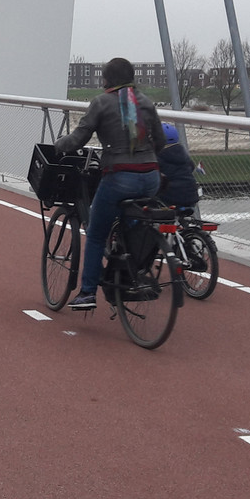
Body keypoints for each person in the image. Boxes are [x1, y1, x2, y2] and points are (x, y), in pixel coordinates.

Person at [52, 57, 166, 310]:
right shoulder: (145, 102)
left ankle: (88, 293)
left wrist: (59, 145)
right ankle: (128, 273)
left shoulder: (102, 102)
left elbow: (79, 137)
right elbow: (159, 141)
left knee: (95, 234)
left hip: (120, 177)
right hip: (150, 177)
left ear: (106, 80)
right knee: (133, 227)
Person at [156, 122, 200, 214]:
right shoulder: (183, 154)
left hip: (169, 197)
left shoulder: (157, 157)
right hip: (191, 196)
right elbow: (191, 167)